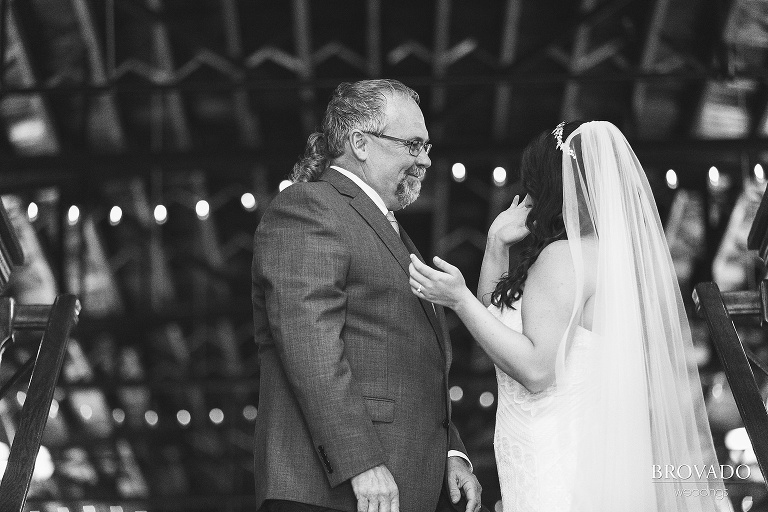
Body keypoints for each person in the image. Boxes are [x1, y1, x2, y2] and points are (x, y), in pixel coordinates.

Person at [409, 121, 733, 511]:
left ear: (549, 185)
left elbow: (536, 370)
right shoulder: (612, 258)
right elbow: (497, 329)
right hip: (585, 459)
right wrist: (495, 246)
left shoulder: (562, 259)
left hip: (555, 465)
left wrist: (459, 300)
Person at [251, 79, 482, 512]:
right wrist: (359, 461)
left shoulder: (386, 226)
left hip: (392, 485)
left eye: (427, 148)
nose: (425, 161)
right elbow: (310, 344)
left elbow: (407, 361)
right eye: (414, 145)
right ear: (360, 142)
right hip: (331, 492)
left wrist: (449, 452)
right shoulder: (310, 206)